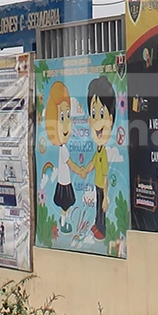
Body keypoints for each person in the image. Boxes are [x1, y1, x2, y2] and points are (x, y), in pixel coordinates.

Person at [74, 75, 117, 241]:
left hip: (101, 185)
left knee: (101, 206)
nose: (97, 121)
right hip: (96, 184)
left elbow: (105, 175)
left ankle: (101, 228)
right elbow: (93, 162)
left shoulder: (104, 152)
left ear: (111, 120)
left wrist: (106, 196)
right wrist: (86, 170)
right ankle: (97, 224)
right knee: (97, 206)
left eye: (101, 113)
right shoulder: (99, 149)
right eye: (93, 113)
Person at [42, 81, 77, 234]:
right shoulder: (63, 149)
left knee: (66, 205)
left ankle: (64, 222)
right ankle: (63, 223)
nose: (66, 123)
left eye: (67, 115)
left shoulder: (62, 147)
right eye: (62, 116)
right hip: (65, 182)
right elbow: (70, 164)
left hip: (63, 181)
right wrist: (81, 170)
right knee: (66, 204)